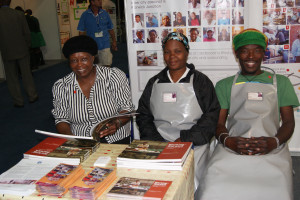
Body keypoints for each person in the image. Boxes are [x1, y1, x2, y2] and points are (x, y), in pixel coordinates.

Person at [197, 28, 299, 200]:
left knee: (278, 189)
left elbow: (289, 122)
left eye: (257, 50)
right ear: (237, 54)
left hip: (272, 147)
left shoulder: (281, 82)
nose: (251, 56)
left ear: (264, 54)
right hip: (232, 147)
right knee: (212, 185)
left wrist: (273, 142)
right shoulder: (224, 85)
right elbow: (219, 123)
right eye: (244, 51)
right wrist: (229, 141)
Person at [136, 32, 220, 190]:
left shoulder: (201, 81)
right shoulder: (154, 82)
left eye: (178, 51)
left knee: (190, 187)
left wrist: (184, 140)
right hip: (159, 146)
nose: (172, 56)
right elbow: (143, 115)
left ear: (187, 53)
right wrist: (158, 142)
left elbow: (211, 116)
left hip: (193, 147)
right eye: (167, 52)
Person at [52, 35, 134, 144]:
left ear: (93, 58)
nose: (79, 64)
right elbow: (61, 119)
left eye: (84, 59)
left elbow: (126, 108)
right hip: (81, 140)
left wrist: (117, 123)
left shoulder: (113, 76)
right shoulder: (61, 86)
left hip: (116, 138)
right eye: (74, 60)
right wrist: (72, 139)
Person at [0, 0, 38, 107]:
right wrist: (27, 45)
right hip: (22, 49)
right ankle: (32, 96)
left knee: (12, 78)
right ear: (10, 2)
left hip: (7, 51)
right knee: (26, 74)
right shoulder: (19, 14)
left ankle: (18, 101)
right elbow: (26, 32)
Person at [77, 0, 117, 67]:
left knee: (107, 65)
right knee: (95, 67)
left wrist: (114, 41)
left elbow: (110, 29)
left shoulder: (105, 13)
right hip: (92, 46)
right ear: (92, 2)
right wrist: (82, 45)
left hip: (105, 44)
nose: (100, 1)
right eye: (98, 0)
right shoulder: (85, 15)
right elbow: (81, 31)